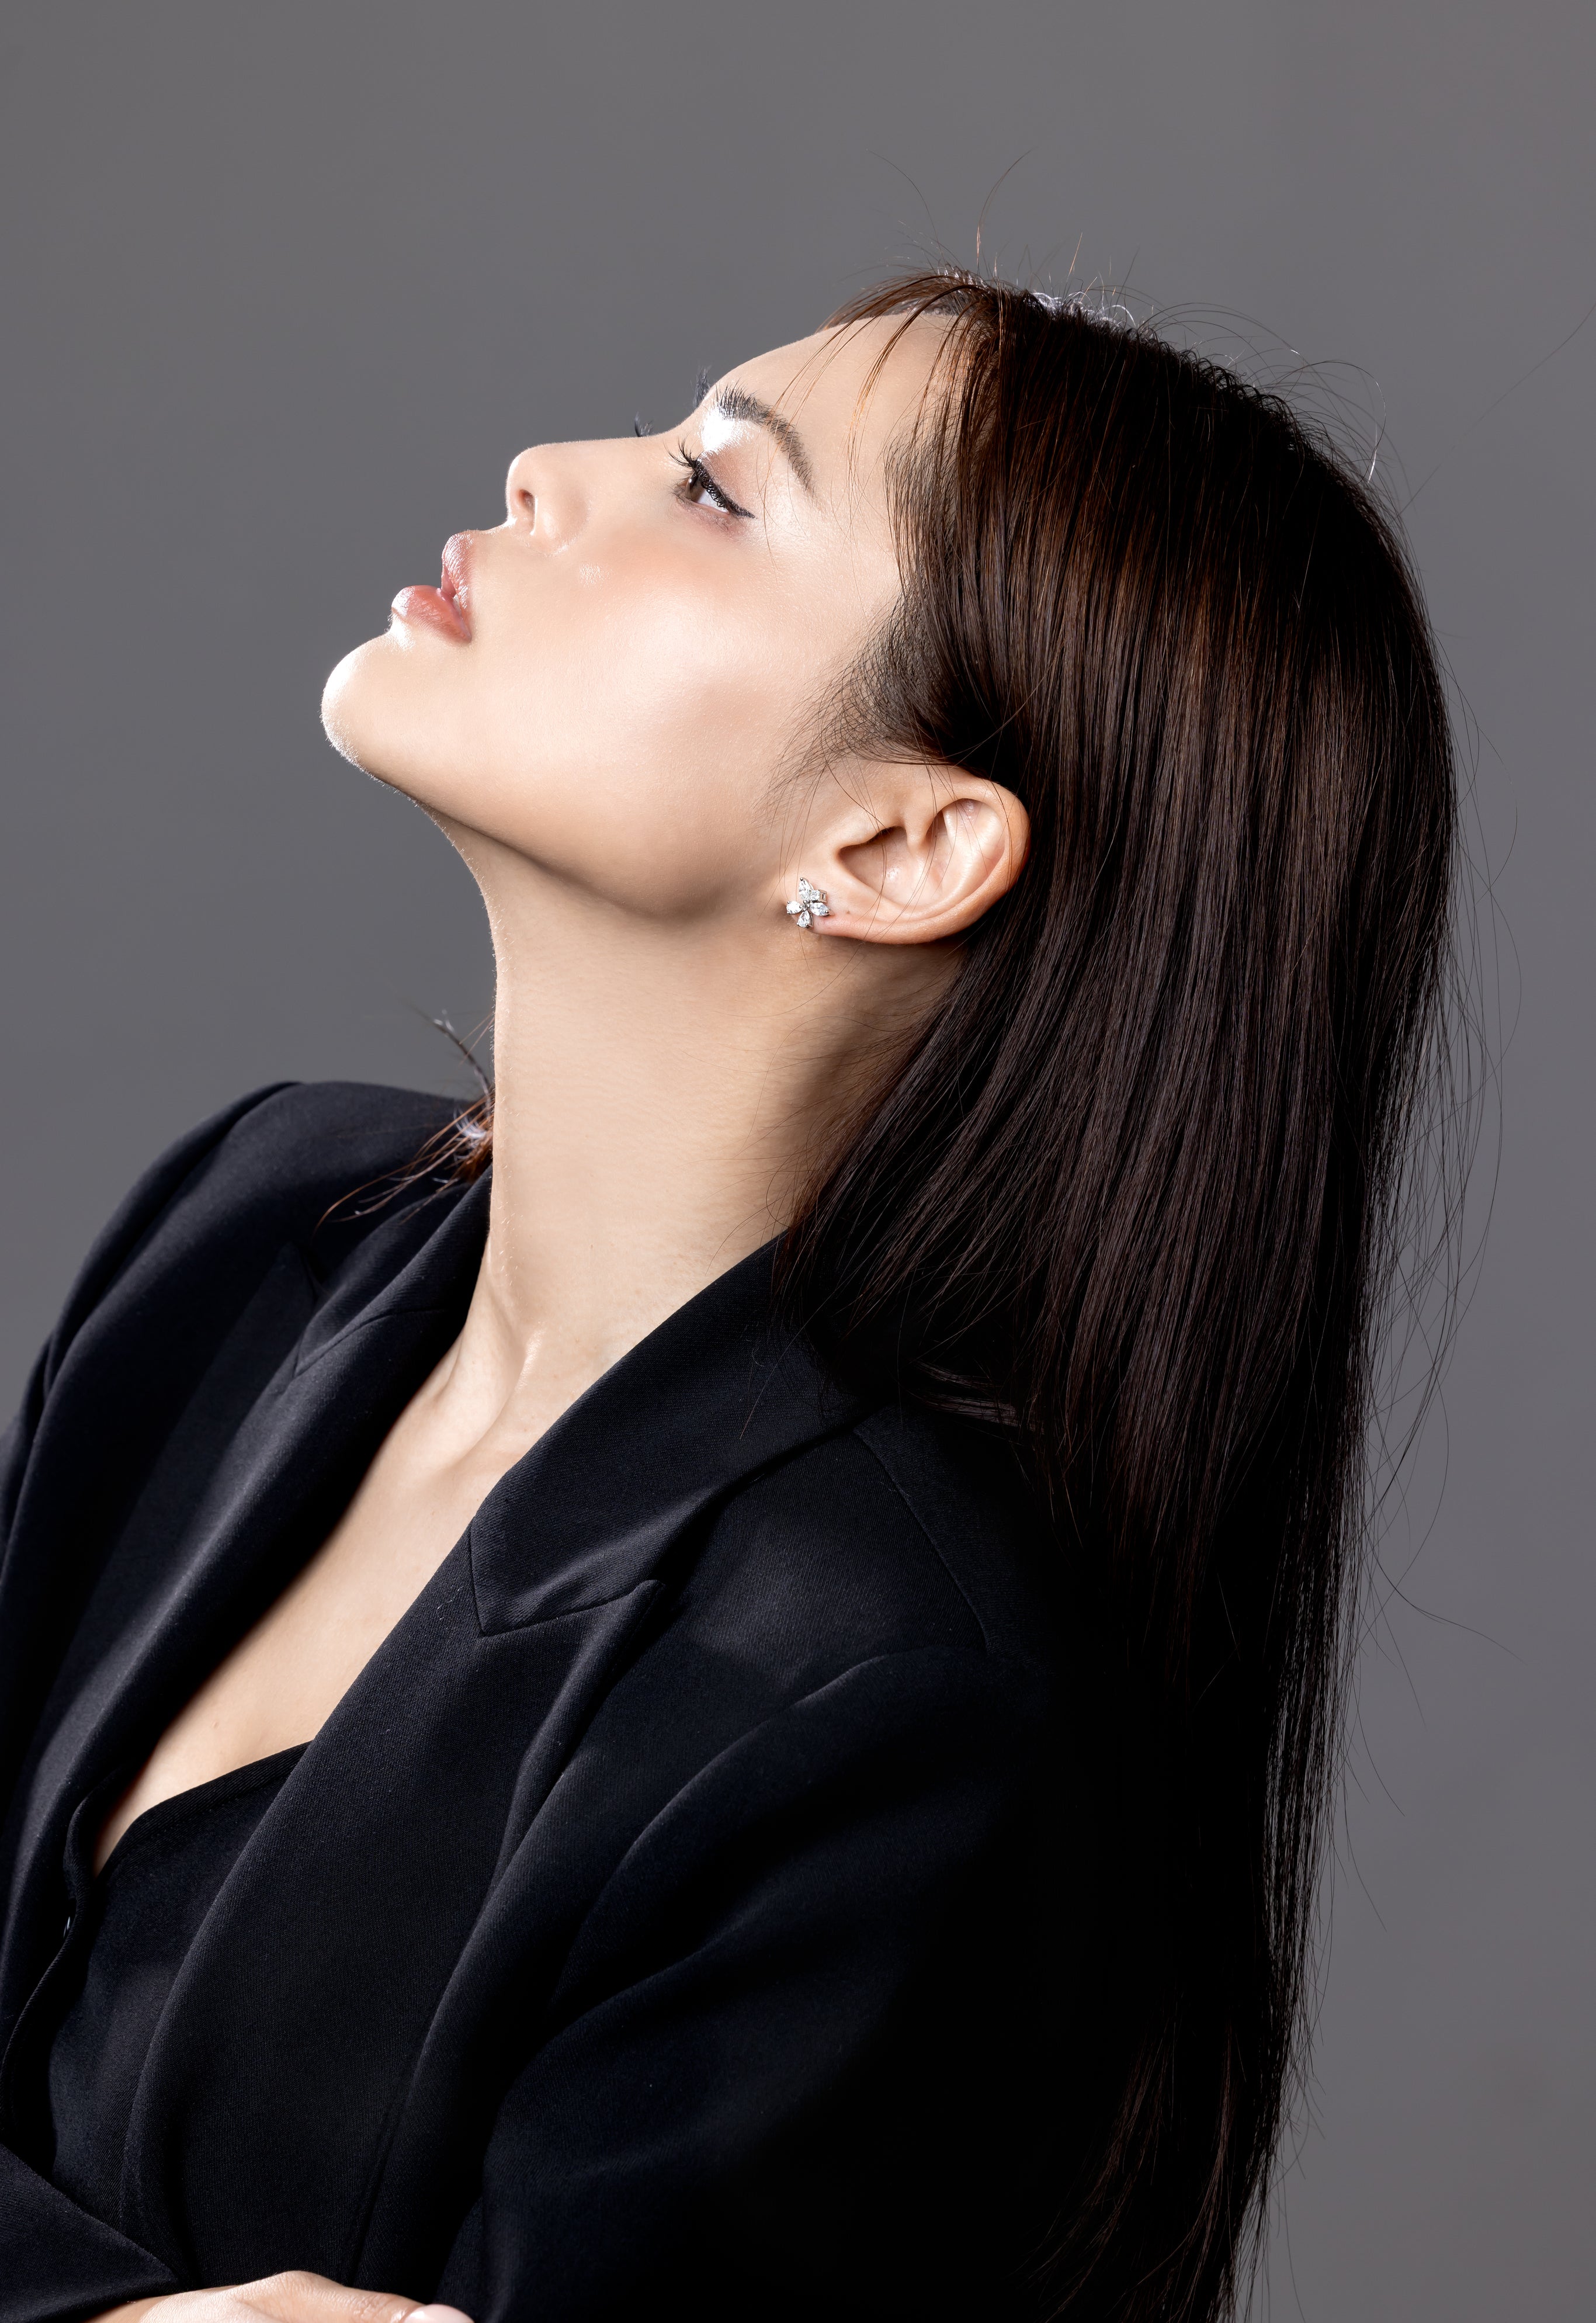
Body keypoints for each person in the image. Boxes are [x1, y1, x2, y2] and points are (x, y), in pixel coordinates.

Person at [0, 268, 1462, 2323]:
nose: (547, 468)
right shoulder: (249, 1231)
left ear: (901, 844)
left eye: (715, 489)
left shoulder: (892, 1696)